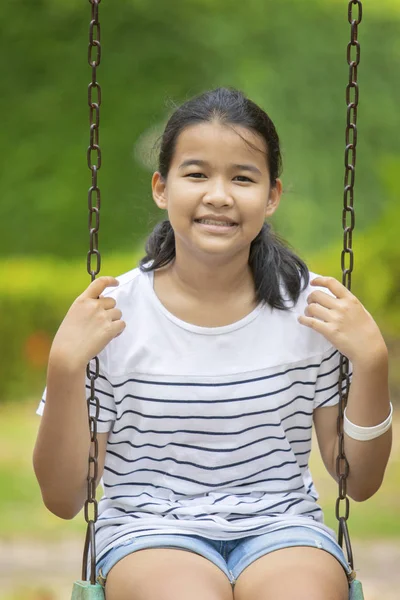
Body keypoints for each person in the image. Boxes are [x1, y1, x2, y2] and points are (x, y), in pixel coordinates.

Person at [33, 87, 392, 600]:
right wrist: (65, 367)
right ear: (162, 187)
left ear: (272, 195)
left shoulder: (312, 309)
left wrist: (371, 362)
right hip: (149, 531)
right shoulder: (113, 314)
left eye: (242, 178)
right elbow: (64, 498)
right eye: (196, 174)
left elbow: (358, 482)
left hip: (283, 529)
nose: (218, 195)